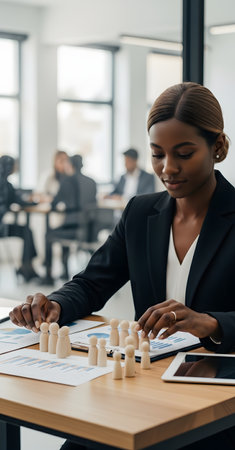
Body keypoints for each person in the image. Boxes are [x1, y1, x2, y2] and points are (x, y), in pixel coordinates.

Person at [9, 82, 235, 450]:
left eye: (184, 153)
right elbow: (93, 282)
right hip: (142, 385)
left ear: (219, 148)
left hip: (212, 403)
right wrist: (57, 304)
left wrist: (211, 322)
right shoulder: (141, 213)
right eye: (157, 154)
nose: (168, 168)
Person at [42, 154, 97, 284]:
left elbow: (54, 203)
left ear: (70, 165)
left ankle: (48, 275)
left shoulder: (67, 181)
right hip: (89, 230)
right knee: (64, 228)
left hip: (73, 229)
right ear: (82, 165)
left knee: (49, 235)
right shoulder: (92, 182)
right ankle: (64, 271)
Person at [0, 155, 39, 282]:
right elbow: (21, 202)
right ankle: (27, 268)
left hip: (2, 228)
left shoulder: (8, 185)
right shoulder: (7, 186)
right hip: (2, 229)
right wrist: (36, 201)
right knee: (27, 231)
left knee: (26, 231)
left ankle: (27, 268)